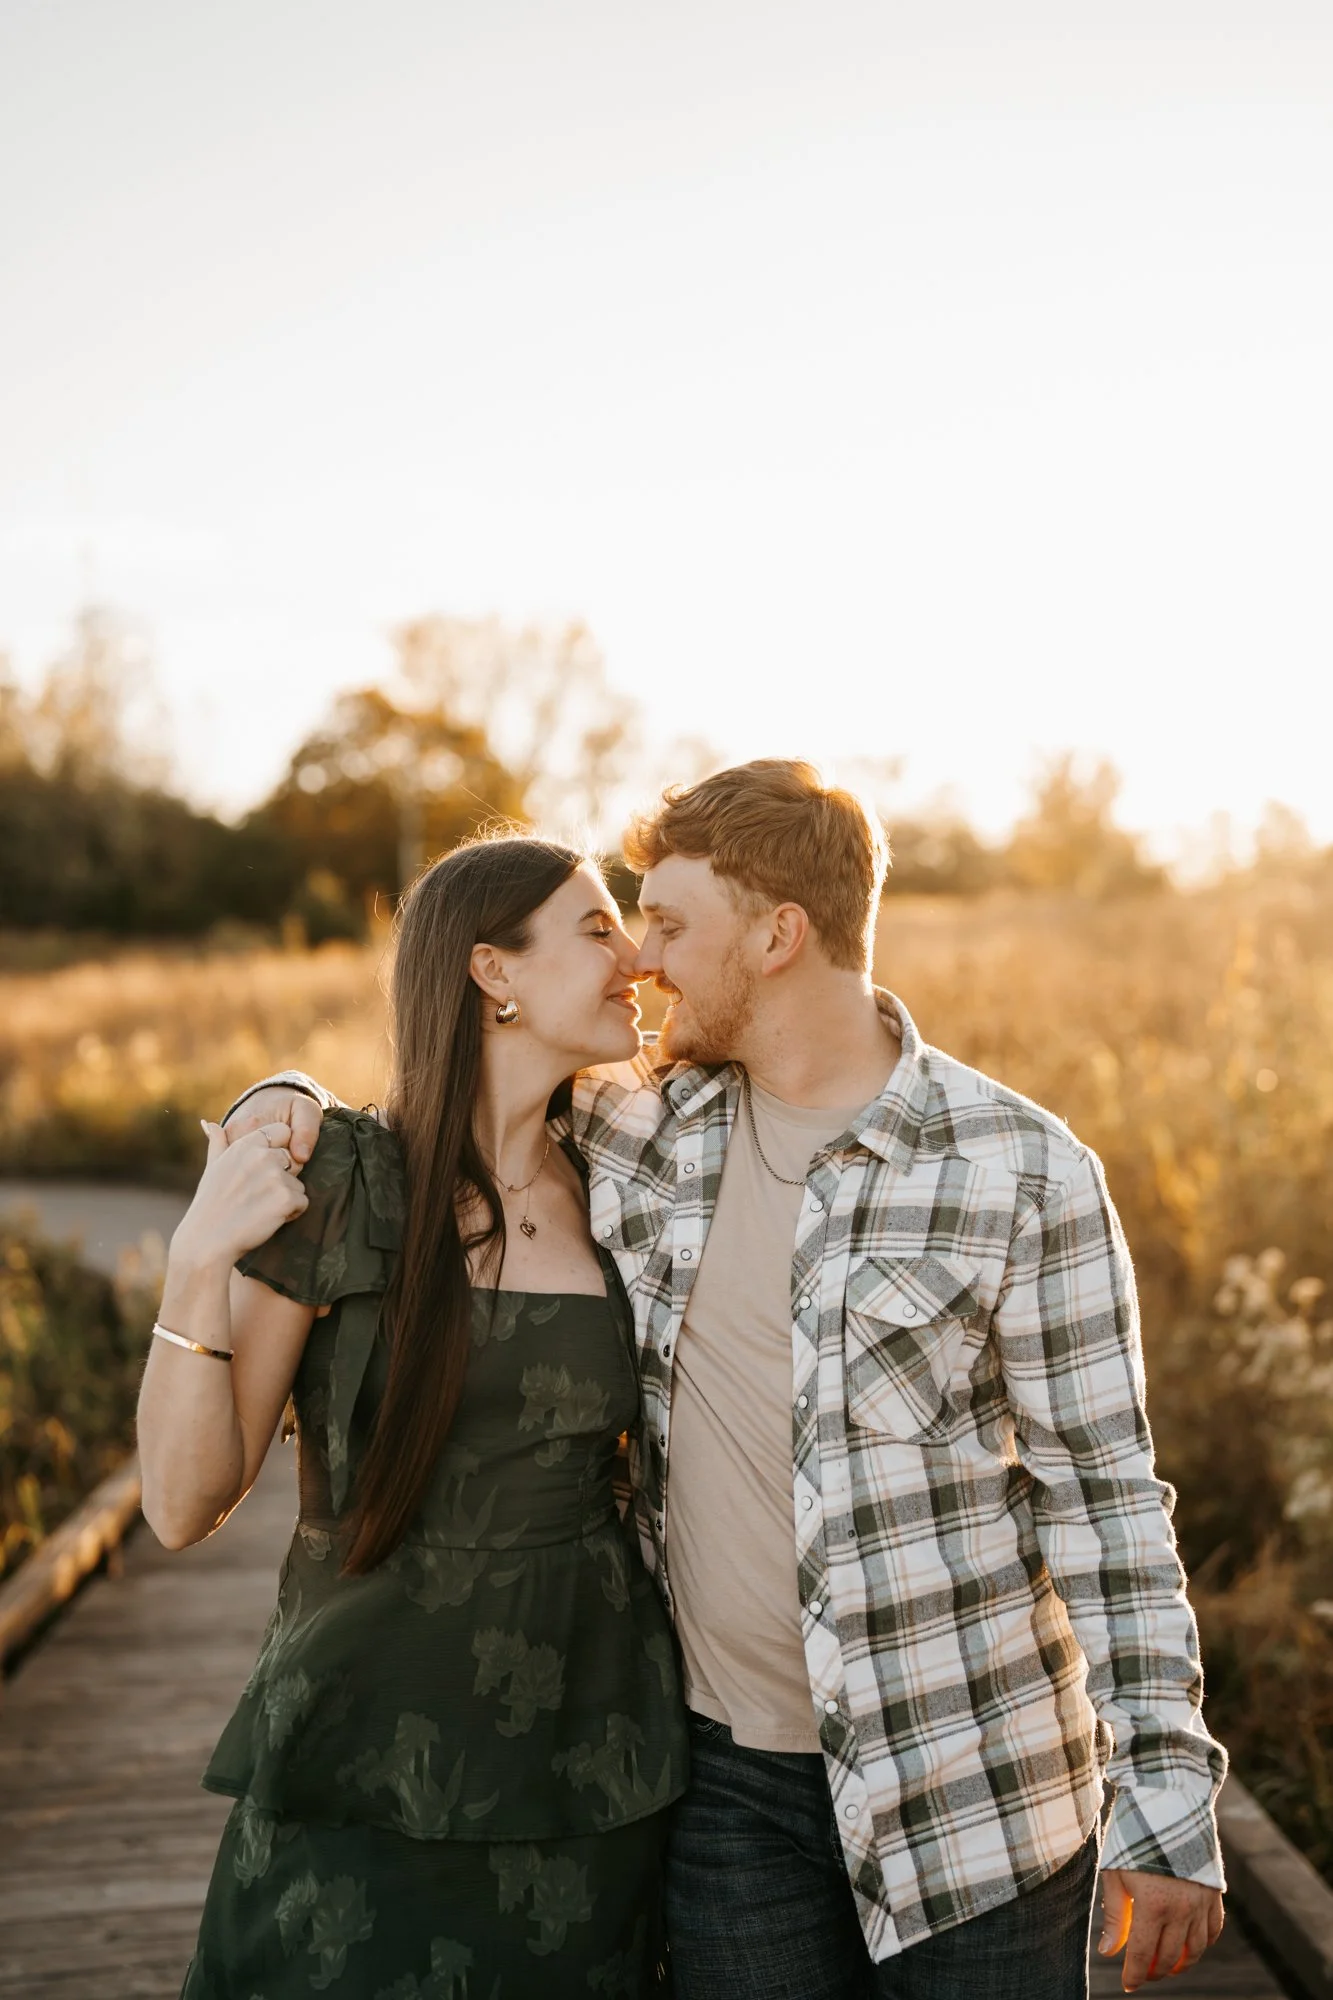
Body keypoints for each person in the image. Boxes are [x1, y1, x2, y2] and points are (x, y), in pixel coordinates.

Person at [227, 760, 1228, 2000]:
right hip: (719, 1789)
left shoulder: (1020, 1170)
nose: (639, 959)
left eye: (667, 922)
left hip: (975, 1791)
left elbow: (1106, 1497)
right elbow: (448, 1104)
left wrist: (1168, 1793)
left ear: (777, 934)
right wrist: (279, 1100)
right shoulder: (643, 1131)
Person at [139, 835, 688, 1999]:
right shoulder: (343, 1177)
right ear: (491, 971)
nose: (634, 954)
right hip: (360, 1746)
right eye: (595, 928)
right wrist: (198, 1261)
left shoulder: (626, 1181)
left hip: (586, 1756)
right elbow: (186, 1502)